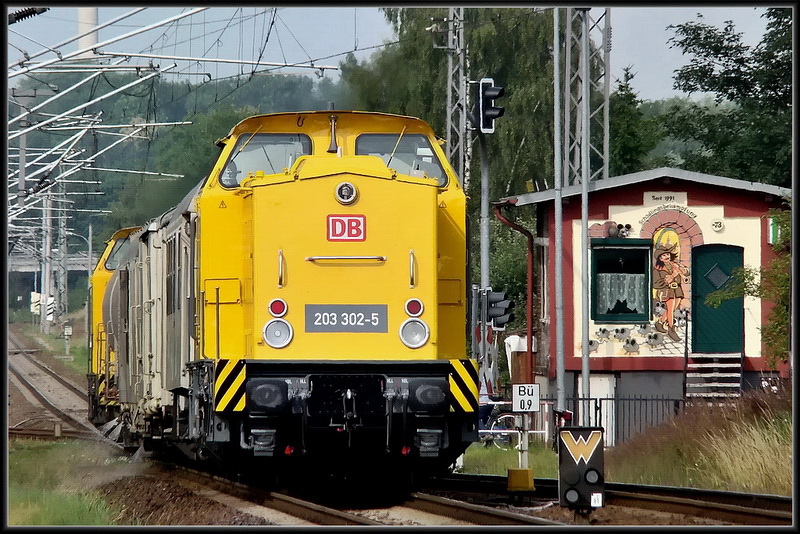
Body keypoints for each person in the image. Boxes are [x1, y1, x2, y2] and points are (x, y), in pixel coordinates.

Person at [652, 242, 689, 342]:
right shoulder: (657, 269)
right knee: (671, 309)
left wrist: (682, 271)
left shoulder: (674, 265)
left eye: (668, 254)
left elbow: (687, 272)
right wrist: (673, 276)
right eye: (664, 255)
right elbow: (656, 283)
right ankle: (671, 329)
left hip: (677, 290)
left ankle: (660, 323)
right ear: (660, 258)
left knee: (671, 310)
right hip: (667, 291)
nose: (667, 256)